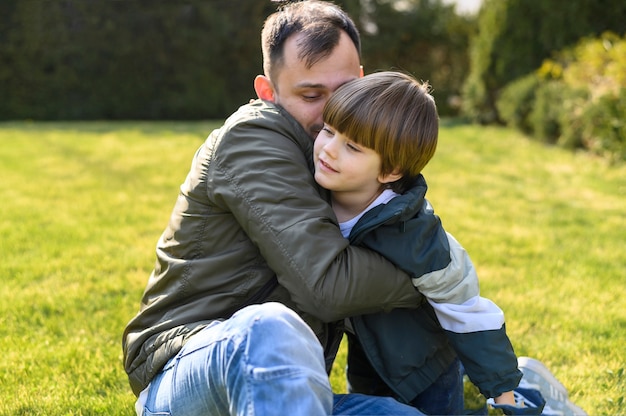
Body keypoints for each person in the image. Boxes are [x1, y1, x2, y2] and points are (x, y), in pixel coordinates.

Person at [123, 2, 430, 415]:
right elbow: (328, 285)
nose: (330, 116)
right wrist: (434, 274)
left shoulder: (343, 162)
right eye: (310, 95)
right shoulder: (253, 138)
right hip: (187, 369)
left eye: (342, 92)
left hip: (283, 390)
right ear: (268, 92)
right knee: (268, 327)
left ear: (360, 81)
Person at [313, 71, 545, 415]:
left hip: (429, 372)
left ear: (390, 171)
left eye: (351, 147)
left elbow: (467, 309)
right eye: (328, 130)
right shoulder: (309, 194)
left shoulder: (415, 235)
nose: (328, 150)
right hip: (368, 356)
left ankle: (525, 391)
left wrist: (503, 391)